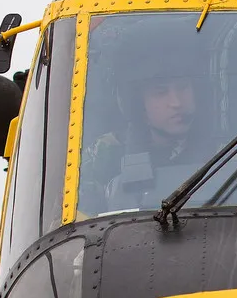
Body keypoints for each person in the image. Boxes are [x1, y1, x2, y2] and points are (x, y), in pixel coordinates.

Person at [79, 16, 212, 215]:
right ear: (137, 103)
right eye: (161, 93)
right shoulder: (102, 158)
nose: (176, 102)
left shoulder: (230, 149)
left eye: (183, 88)